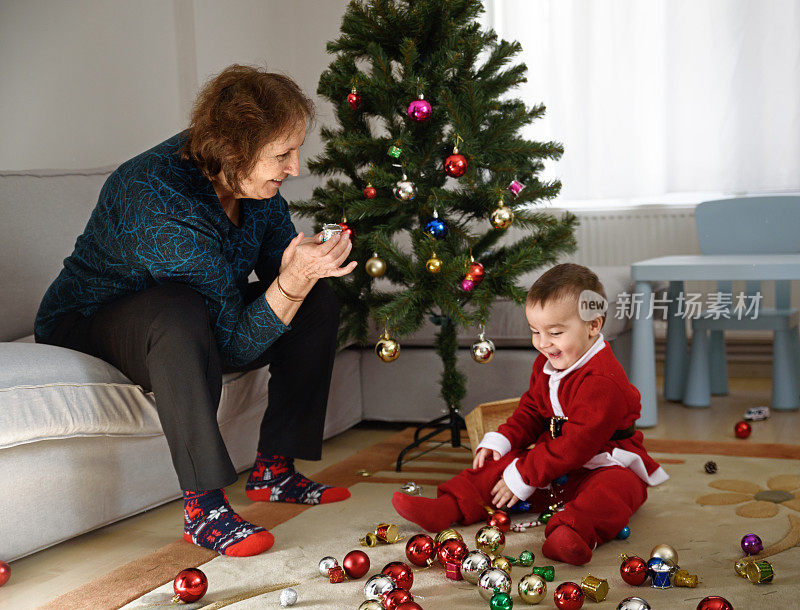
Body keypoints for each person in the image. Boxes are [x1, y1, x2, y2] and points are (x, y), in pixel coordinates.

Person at [34, 65, 357, 557]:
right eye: (282, 154)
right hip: (88, 320)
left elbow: (279, 272)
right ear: (233, 151)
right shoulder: (156, 196)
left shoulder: (254, 187)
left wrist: (307, 268)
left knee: (315, 297)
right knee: (180, 311)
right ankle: (203, 507)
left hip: (197, 314)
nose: (294, 168)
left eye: (296, 149)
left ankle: (274, 470)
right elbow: (228, 343)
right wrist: (290, 282)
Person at [392, 263, 669, 565]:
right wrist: (504, 439)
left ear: (593, 326)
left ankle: (573, 532)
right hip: (558, 465)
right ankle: (448, 506)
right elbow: (532, 411)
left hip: (607, 460)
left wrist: (526, 474)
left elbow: (577, 444)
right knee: (502, 466)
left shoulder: (603, 380)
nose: (543, 343)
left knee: (615, 492)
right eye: (535, 331)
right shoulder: (548, 365)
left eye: (555, 332)